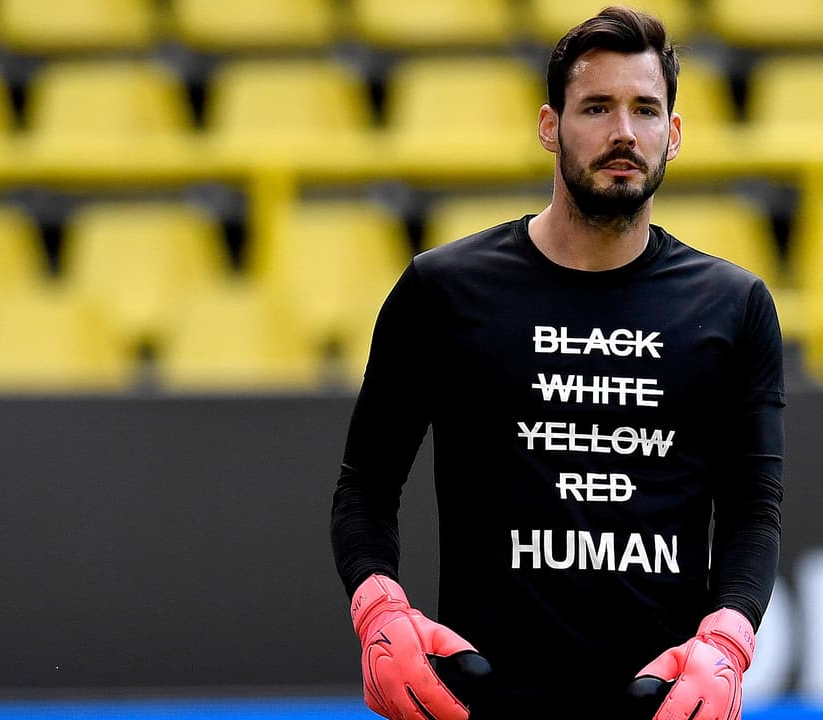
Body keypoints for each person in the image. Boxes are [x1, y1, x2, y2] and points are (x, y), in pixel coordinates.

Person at [330, 6, 784, 719]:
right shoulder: (444, 290)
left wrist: (729, 640)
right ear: (551, 126)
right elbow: (365, 485)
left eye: (645, 109)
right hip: (482, 705)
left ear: (674, 133)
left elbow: (753, 513)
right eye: (597, 107)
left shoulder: (735, 306)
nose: (623, 133)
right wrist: (378, 611)